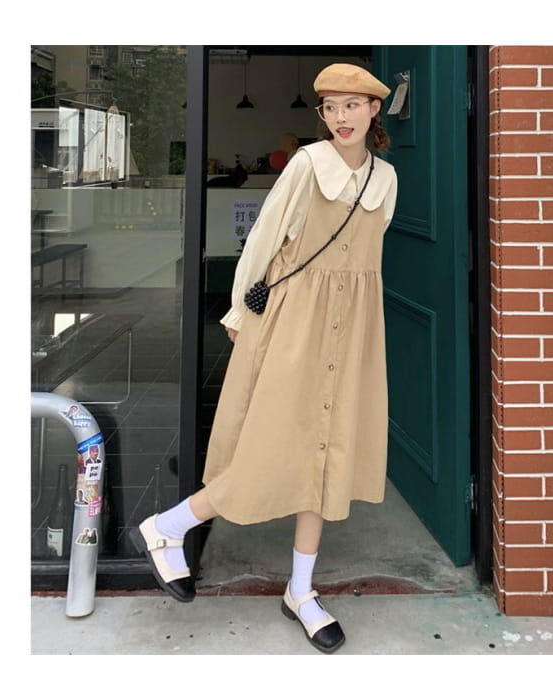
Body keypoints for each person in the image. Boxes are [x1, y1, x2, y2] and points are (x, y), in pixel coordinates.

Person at [131, 63, 397, 654]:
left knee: (326, 451)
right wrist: (238, 312)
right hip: (295, 318)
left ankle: (301, 591)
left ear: (373, 110)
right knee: (270, 443)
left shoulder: (387, 178)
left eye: (352, 105)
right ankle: (168, 526)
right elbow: (265, 238)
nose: (341, 117)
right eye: (331, 107)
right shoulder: (307, 164)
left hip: (353, 324)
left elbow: (367, 257)